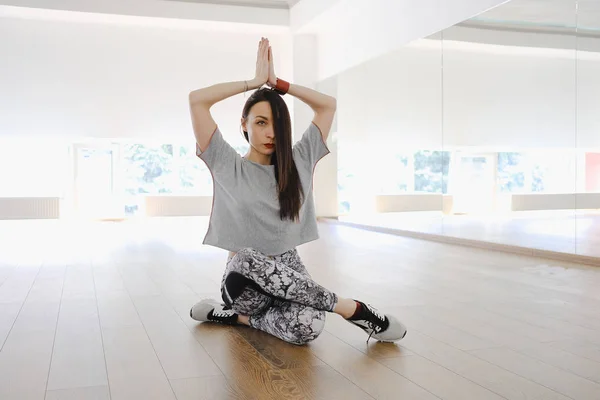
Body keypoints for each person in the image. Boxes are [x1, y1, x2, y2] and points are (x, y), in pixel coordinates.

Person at [188, 37, 407, 345]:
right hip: (243, 281)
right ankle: (354, 310)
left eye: (277, 123)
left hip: (287, 267)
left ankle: (234, 318)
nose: (270, 133)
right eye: (261, 122)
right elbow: (197, 100)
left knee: (307, 329)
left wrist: (280, 84)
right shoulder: (225, 163)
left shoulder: (300, 160)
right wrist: (254, 82)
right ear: (244, 124)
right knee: (249, 257)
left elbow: (328, 105)